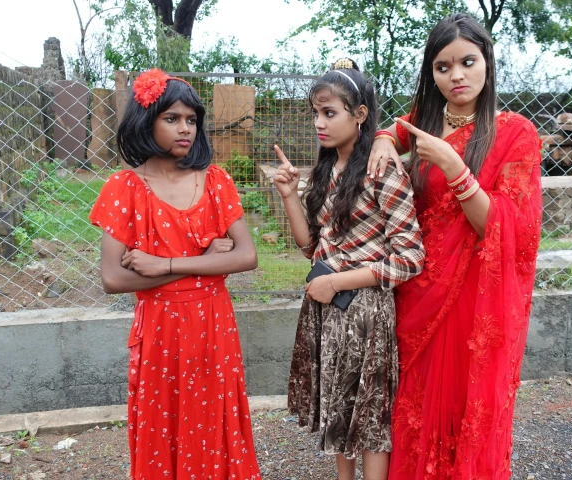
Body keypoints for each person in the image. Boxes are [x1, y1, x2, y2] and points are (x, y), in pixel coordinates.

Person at [366, 13, 543, 479]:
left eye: (467, 61)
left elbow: (509, 229)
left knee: (463, 405)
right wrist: (384, 138)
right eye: (442, 67)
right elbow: (393, 130)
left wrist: (454, 166)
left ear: (487, 61)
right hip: (418, 289)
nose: (456, 75)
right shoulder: (423, 122)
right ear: (432, 73)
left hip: (473, 297)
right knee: (415, 401)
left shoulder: (515, 133)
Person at [89, 68, 262, 480]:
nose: (185, 129)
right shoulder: (124, 188)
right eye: (172, 119)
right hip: (160, 330)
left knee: (214, 419)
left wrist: (165, 263)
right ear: (146, 121)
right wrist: (203, 260)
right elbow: (113, 279)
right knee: (162, 421)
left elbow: (246, 256)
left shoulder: (215, 181)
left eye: (191, 120)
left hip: (213, 326)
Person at [273, 58, 425, 480]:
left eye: (329, 113)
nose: (319, 124)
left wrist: (337, 280)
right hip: (327, 307)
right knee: (338, 407)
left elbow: (411, 258)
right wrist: (289, 194)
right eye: (315, 114)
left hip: (365, 312)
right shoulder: (326, 170)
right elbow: (311, 248)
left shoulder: (383, 170)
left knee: (369, 414)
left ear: (360, 116)